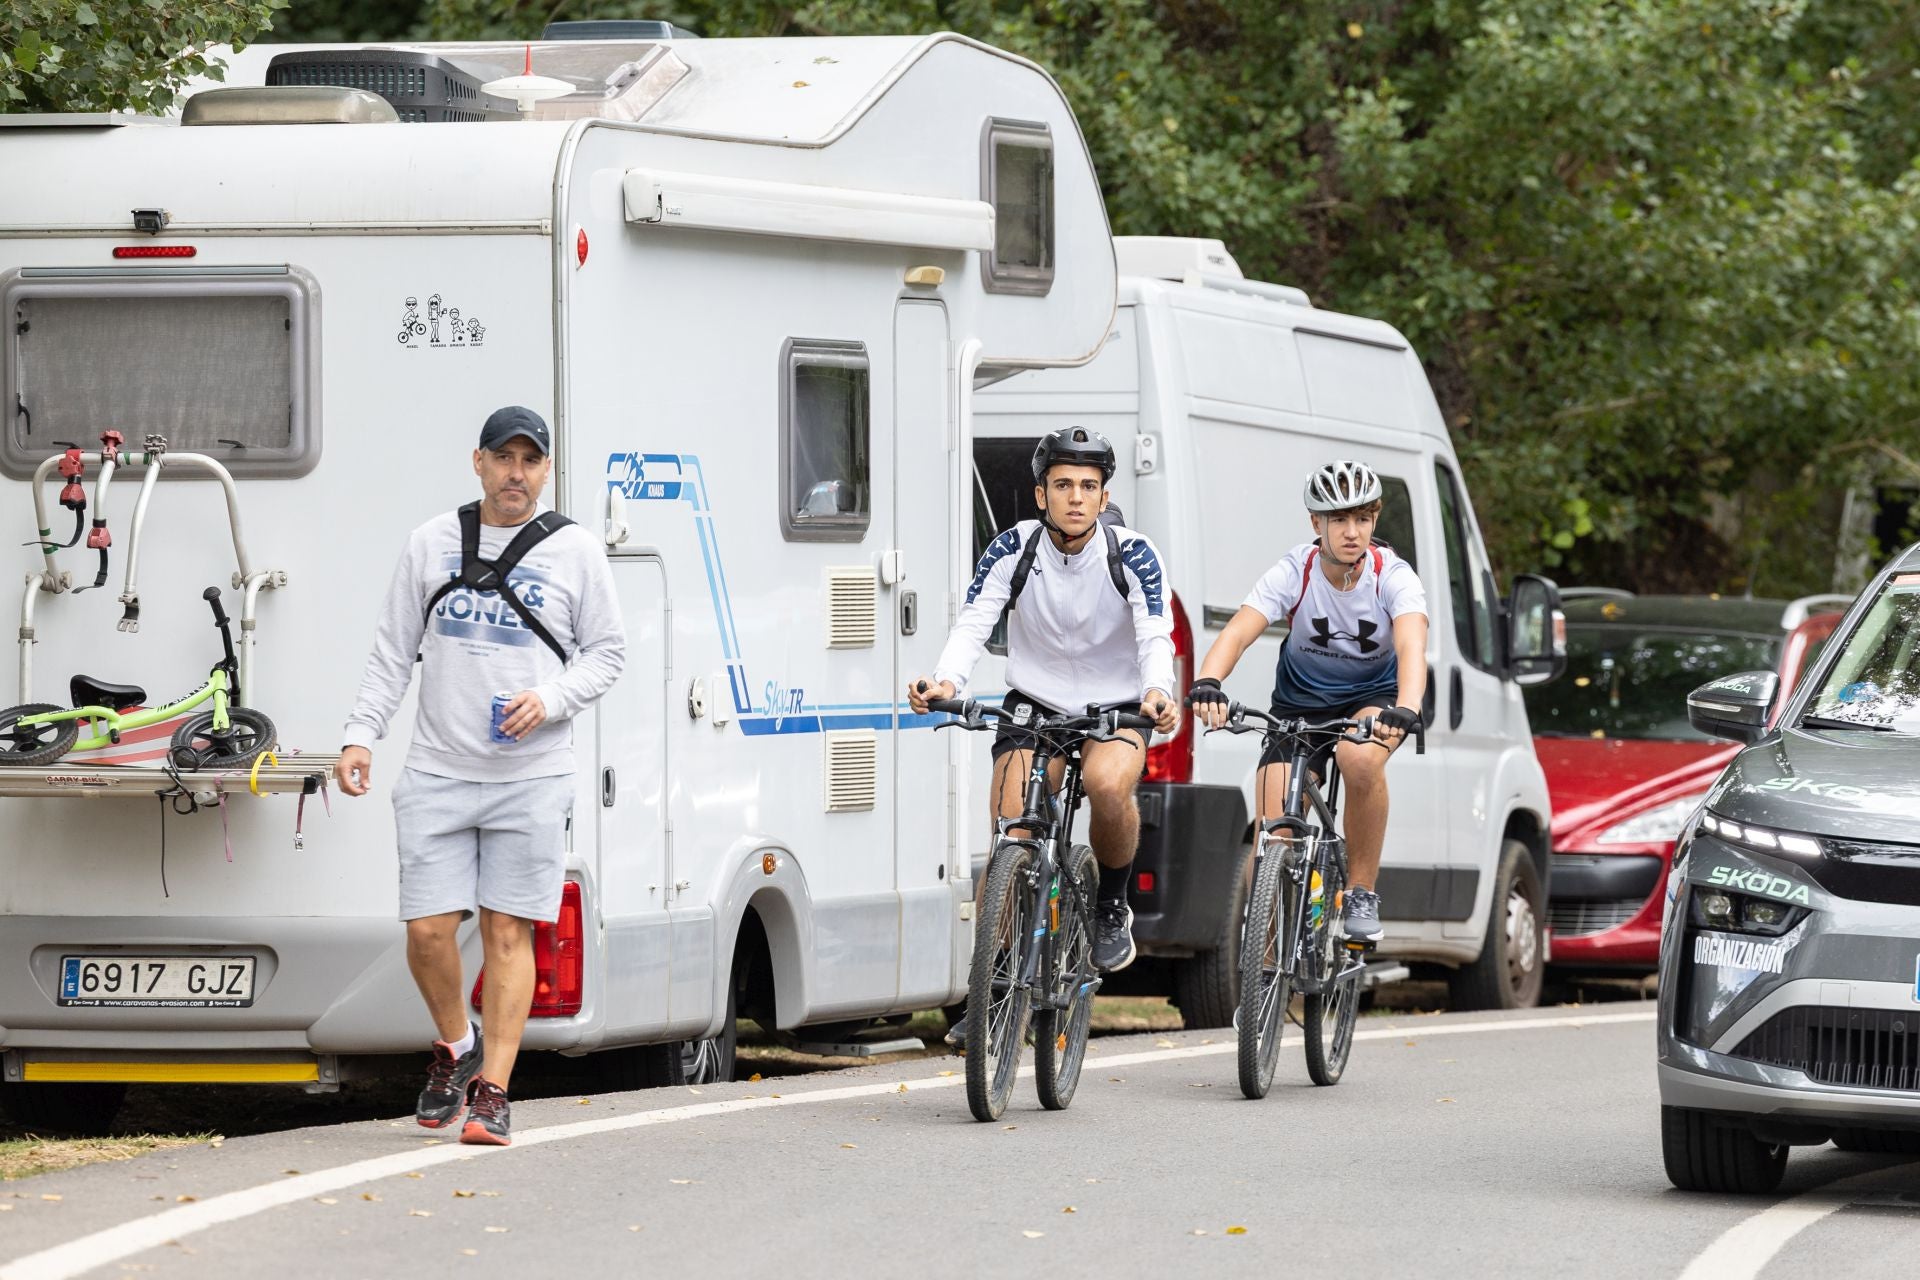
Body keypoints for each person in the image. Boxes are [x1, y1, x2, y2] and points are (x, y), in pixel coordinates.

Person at [334, 406, 625, 1146]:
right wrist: (360, 736)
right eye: (504, 459)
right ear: (479, 462)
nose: (516, 474)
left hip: (531, 774)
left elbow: (608, 653)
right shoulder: (430, 543)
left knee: (507, 931)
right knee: (428, 931)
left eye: (530, 461)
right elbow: (393, 651)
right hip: (437, 767)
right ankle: (454, 1045)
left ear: (547, 471)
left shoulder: (576, 551)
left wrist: (550, 698)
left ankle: (493, 1089)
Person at [908, 426, 1179, 987]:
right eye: (1062, 485)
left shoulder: (1134, 554)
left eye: (1088, 485)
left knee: (1107, 785)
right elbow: (975, 621)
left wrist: (1157, 691)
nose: (1076, 497)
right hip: (1035, 700)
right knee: (1013, 834)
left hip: (1118, 704)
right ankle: (992, 991)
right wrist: (944, 681)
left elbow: (1156, 632)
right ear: (1041, 495)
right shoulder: (1014, 547)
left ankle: (1111, 904)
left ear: (1105, 497)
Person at [1187, 460, 1428, 943]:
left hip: (1374, 699)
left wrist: (1408, 707)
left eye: (1362, 519)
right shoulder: (1294, 571)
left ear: (1375, 521)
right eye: (1339, 520)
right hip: (1298, 706)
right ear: (1316, 524)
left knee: (1357, 759)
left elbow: (1411, 646)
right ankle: (1267, 964)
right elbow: (1238, 631)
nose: (1352, 532)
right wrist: (1208, 680)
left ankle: (1361, 891)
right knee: (1273, 832)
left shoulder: (1392, 576)